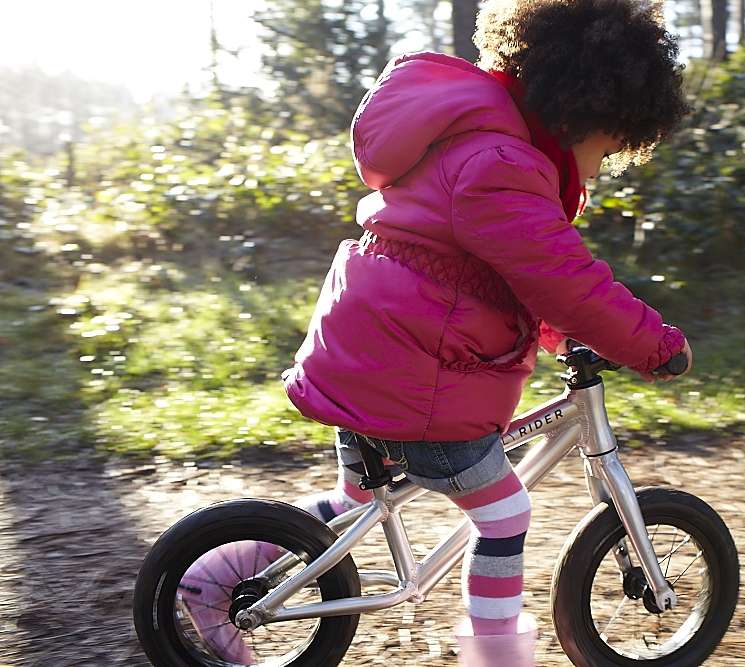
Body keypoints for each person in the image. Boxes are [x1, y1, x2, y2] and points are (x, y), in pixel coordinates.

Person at [182, 0, 693, 664]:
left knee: (353, 501)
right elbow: (563, 279)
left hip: (368, 359)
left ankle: (212, 576)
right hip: (414, 380)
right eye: (607, 149)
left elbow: (503, 272)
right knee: (504, 515)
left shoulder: (467, 141)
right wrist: (654, 344)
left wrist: (558, 334)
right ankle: (497, 655)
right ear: (579, 112)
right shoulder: (503, 164)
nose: (598, 169)